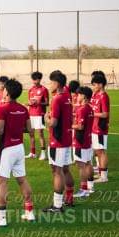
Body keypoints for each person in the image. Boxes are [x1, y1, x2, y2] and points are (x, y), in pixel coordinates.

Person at [0, 78, 36, 225]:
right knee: (22, 179)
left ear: (7, 92)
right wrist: (15, 129)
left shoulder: (2, 109)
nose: (2, 90)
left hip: (6, 149)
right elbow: (29, 129)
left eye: (4, 89)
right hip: (19, 148)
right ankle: (29, 212)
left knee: (1, 182)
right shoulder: (23, 109)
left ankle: (1, 218)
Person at [43, 70, 75, 213]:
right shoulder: (67, 96)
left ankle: (57, 205)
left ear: (56, 83)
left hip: (58, 140)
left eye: (51, 82)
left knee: (57, 170)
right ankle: (69, 198)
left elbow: (53, 123)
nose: (49, 85)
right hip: (67, 139)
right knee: (65, 169)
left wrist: (46, 118)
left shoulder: (57, 99)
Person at [72, 86, 95, 199]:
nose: (77, 96)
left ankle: (83, 189)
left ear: (84, 96)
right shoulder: (90, 108)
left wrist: (69, 125)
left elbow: (80, 126)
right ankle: (91, 186)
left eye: (79, 94)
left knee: (81, 165)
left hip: (80, 141)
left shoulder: (82, 109)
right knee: (88, 163)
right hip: (88, 140)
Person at [90, 71, 111, 183]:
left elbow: (105, 114)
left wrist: (92, 114)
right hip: (94, 127)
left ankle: (104, 176)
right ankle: (100, 172)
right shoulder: (96, 95)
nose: (94, 86)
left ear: (101, 84)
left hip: (100, 127)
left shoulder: (104, 96)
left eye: (95, 84)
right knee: (97, 151)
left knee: (101, 151)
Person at [26, 71, 48, 160]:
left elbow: (47, 103)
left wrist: (39, 103)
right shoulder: (30, 90)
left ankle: (43, 153)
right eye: (33, 80)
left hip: (39, 114)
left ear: (40, 79)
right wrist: (29, 103)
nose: (35, 81)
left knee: (40, 134)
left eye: (37, 79)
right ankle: (32, 152)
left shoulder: (44, 89)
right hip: (31, 114)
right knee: (31, 134)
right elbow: (29, 101)